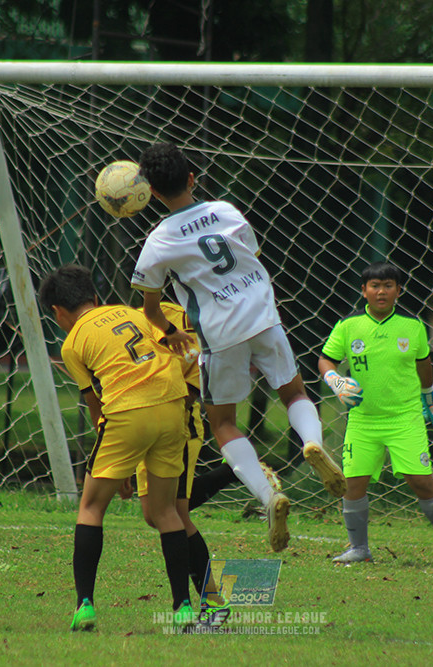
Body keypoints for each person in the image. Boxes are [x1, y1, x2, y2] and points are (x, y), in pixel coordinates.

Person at [130, 142, 346, 553]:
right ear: (192, 178)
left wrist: (169, 332)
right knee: (294, 393)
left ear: (152, 193)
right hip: (263, 316)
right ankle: (312, 443)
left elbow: (151, 308)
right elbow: (250, 255)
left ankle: (268, 495)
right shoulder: (226, 210)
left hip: (220, 333)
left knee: (224, 423)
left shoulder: (158, 241)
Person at [38, 263, 195, 633]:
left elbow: (97, 408)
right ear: (95, 297)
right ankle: (183, 606)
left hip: (128, 413)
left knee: (91, 507)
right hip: (173, 405)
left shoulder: (72, 344)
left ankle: (85, 606)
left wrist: (118, 462)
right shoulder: (134, 314)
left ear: (58, 312)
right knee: (166, 512)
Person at [318, 262, 433, 566]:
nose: (381, 292)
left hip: (405, 418)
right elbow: (326, 359)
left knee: (422, 481)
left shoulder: (412, 325)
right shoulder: (348, 325)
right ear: (364, 290)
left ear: (398, 291)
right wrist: (335, 380)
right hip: (363, 420)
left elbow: (423, 363)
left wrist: (429, 397)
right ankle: (359, 549)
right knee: (353, 484)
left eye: (388, 286)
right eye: (375, 286)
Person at [129, 301, 230, 625]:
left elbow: (191, 390)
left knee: (175, 513)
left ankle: (212, 602)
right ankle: (230, 472)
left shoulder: (199, 322)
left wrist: (148, 404)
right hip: (143, 421)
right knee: (154, 514)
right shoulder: (140, 316)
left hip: (177, 426)